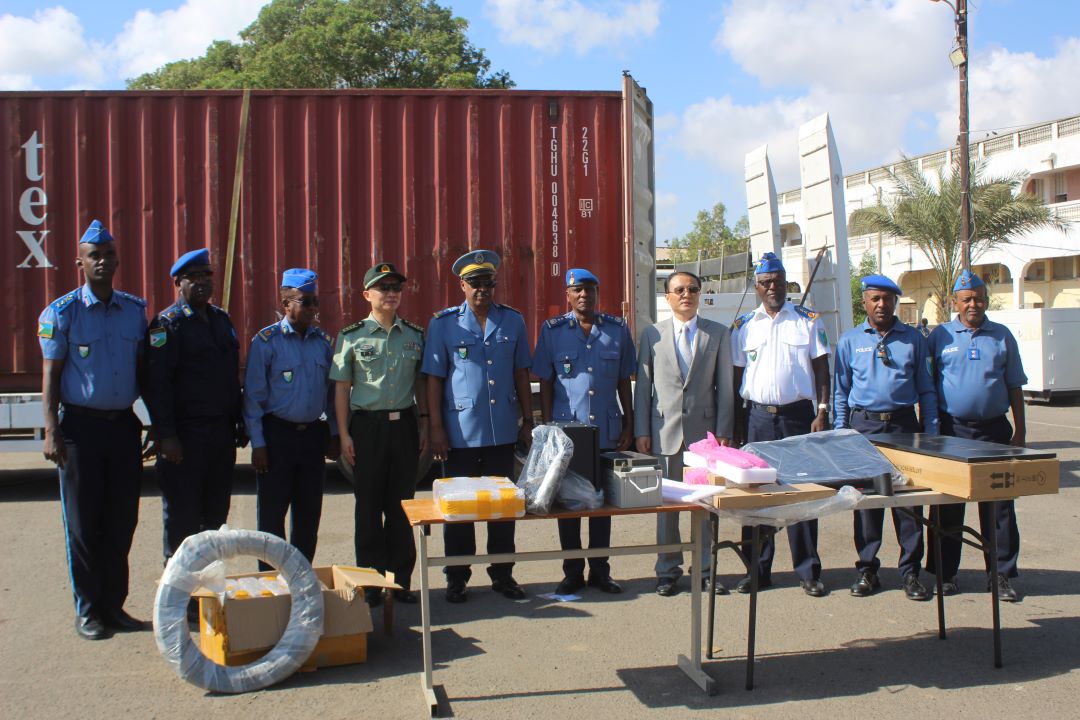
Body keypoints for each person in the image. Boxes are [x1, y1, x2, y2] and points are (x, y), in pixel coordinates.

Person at [38, 220, 150, 640]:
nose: (102, 261)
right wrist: (51, 429)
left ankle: (114, 606)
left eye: (108, 255)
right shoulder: (62, 312)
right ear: (79, 263)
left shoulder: (134, 312)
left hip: (122, 427)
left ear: (117, 261)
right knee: (84, 525)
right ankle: (88, 611)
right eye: (94, 256)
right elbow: (52, 374)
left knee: (122, 521)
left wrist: (156, 422)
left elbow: (145, 372)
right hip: (80, 430)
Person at [422, 250, 534, 603]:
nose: (482, 289)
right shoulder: (443, 324)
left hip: (502, 430)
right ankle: (457, 577)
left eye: (488, 283)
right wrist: (436, 428)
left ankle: (503, 574)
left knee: (503, 509)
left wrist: (528, 421)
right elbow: (434, 379)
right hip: (460, 433)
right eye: (475, 283)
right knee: (460, 510)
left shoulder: (512, 321)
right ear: (462, 286)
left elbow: (521, 373)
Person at [730, 252, 831, 597]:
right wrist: (737, 424)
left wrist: (822, 411)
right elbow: (736, 378)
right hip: (757, 419)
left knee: (801, 496)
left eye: (777, 281)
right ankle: (756, 571)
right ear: (756, 287)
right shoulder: (744, 326)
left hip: (797, 418)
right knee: (756, 498)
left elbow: (822, 369)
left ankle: (808, 571)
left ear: (786, 283)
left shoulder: (808, 320)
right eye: (765, 282)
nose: (772, 287)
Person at [834, 274, 938, 601]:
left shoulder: (914, 340)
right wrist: (840, 432)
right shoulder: (850, 341)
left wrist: (931, 434)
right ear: (864, 302)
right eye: (875, 299)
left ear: (895, 302)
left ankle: (911, 572)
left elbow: (926, 390)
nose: (881, 305)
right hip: (864, 428)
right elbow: (841, 391)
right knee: (866, 503)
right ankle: (867, 569)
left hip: (904, 426)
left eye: (887, 299)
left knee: (908, 502)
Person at [533, 268, 635, 596]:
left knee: (602, 506)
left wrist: (629, 422)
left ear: (597, 294)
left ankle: (601, 572)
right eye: (577, 290)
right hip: (568, 434)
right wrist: (548, 426)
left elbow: (624, 380)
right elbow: (545, 381)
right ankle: (573, 572)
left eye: (590, 290)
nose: (584, 295)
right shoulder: (553, 331)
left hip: (606, 429)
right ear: (567, 295)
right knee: (569, 505)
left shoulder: (617, 330)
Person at [927, 269, 1026, 601]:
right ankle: (946, 574)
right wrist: (932, 432)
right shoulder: (939, 336)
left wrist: (1020, 430)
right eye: (967, 299)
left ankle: (1000, 574)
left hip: (994, 431)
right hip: (952, 431)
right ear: (955, 302)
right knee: (948, 505)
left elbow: (1015, 385)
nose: (974, 304)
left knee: (999, 506)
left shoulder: (1001, 336)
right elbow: (928, 386)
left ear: (986, 301)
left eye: (979, 298)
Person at [332, 262, 428, 605]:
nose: (391, 294)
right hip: (366, 427)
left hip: (403, 426)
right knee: (368, 507)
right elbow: (342, 388)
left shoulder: (414, 335)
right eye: (383, 288)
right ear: (366, 295)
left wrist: (424, 424)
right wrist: (344, 435)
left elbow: (420, 384)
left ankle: (400, 581)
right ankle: (371, 584)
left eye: (396, 288)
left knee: (402, 506)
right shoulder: (352, 336)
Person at [634, 270, 734, 597]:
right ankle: (667, 571)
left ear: (700, 294)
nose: (686, 295)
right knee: (667, 509)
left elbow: (725, 387)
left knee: (705, 505)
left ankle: (705, 571)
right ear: (668, 297)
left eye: (692, 289)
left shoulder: (717, 334)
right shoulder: (652, 335)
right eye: (679, 290)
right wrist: (641, 430)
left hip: (705, 437)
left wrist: (724, 431)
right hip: (664, 433)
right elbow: (644, 387)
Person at [145, 248, 243, 564]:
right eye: (193, 277)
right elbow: (157, 385)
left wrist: (239, 420)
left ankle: (208, 586)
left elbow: (229, 377)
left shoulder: (220, 320)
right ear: (179, 283)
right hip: (185, 437)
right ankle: (178, 588)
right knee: (182, 519)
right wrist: (166, 435)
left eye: (206, 275)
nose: (202, 282)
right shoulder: (166, 324)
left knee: (215, 517)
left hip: (220, 434)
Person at [243, 268, 339, 571]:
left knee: (308, 516)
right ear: (286, 304)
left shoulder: (323, 342)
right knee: (272, 516)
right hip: (277, 437)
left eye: (315, 302)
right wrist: (258, 444)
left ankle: (300, 579)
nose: (312, 308)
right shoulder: (266, 342)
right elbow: (253, 399)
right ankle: (271, 583)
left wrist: (334, 433)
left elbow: (331, 394)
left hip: (311, 437)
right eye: (305, 302)